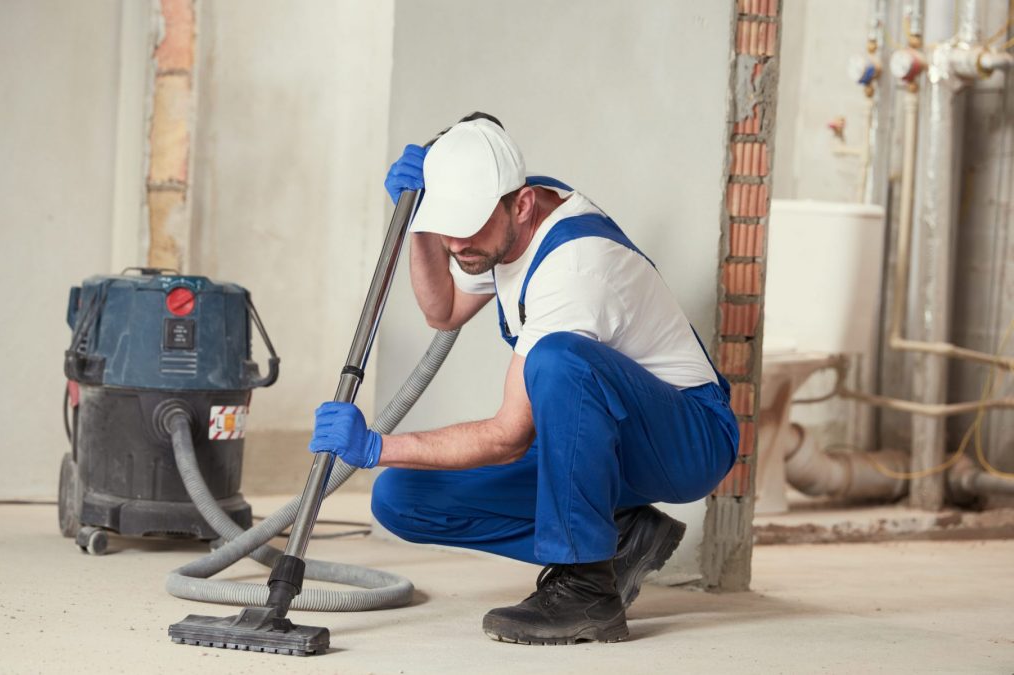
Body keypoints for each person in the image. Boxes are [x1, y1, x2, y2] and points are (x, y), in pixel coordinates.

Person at [308, 117, 739, 645]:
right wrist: (420, 222)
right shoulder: (492, 226)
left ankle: (587, 590)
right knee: (400, 496)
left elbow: (510, 436)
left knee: (557, 361)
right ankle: (623, 535)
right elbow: (443, 310)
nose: (459, 242)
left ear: (523, 205)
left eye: (469, 225)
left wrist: (375, 444)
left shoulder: (576, 268)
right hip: (604, 440)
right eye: (449, 225)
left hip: (687, 438)